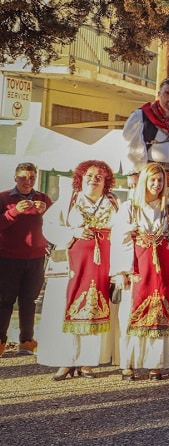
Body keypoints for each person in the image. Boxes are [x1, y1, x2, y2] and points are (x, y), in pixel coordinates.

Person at [40, 161, 118, 380]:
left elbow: (121, 231)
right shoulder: (69, 201)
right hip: (70, 267)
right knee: (65, 308)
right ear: (80, 178)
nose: (94, 179)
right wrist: (73, 232)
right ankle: (65, 361)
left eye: (99, 176)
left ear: (106, 181)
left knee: (93, 309)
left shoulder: (113, 203)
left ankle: (87, 361)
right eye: (89, 175)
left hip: (100, 266)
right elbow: (48, 226)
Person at [112, 162, 169, 381]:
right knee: (130, 312)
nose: (156, 184)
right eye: (152, 179)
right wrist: (121, 271)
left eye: (160, 180)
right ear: (144, 180)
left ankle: (155, 364)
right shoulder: (130, 207)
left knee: (160, 313)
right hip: (138, 267)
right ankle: (128, 364)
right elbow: (120, 239)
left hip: (163, 268)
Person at [0, 162, 52, 357]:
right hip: (8, 258)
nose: (27, 181)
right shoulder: (4, 198)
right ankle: (0, 341)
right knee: (4, 301)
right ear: (15, 178)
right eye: (22, 177)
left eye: (31, 178)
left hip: (36, 258)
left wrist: (45, 212)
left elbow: (55, 225)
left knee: (29, 301)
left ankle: (27, 342)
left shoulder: (43, 199)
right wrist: (14, 212)